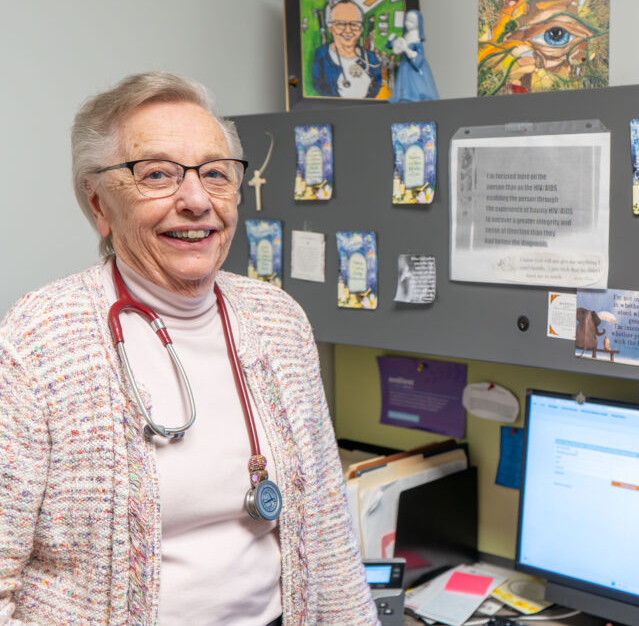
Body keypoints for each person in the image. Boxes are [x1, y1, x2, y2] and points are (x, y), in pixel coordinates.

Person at [0, 72, 380, 625]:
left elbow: (326, 531)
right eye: (157, 174)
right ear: (100, 206)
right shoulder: (38, 342)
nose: (197, 201)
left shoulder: (279, 321)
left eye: (215, 174)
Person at [312, 0, 382, 99]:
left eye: (354, 24)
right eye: (340, 23)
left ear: (361, 29)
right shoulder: (322, 55)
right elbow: (318, 85)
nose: (348, 30)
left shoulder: (371, 58)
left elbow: (377, 84)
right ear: (330, 28)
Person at [388, 10, 439, 102]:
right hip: (404, 66)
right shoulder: (406, 36)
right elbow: (395, 47)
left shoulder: (416, 40)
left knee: (415, 85)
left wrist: (408, 51)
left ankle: (415, 95)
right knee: (404, 83)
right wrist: (391, 41)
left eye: (411, 21)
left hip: (413, 68)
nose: (408, 23)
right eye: (406, 20)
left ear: (417, 23)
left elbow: (418, 59)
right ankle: (404, 95)